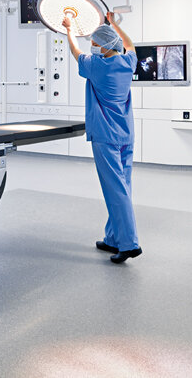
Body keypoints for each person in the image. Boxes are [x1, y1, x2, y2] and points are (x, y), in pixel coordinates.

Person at [64, 13, 142, 264]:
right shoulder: (128, 63)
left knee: (115, 189)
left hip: (106, 137)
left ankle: (129, 244)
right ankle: (113, 238)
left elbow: (75, 51)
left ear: (106, 45)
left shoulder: (97, 67)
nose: (92, 46)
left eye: (96, 43)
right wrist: (115, 24)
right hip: (126, 135)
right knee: (122, 186)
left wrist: (69, 29)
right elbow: (130, 45)